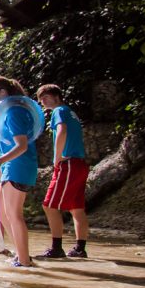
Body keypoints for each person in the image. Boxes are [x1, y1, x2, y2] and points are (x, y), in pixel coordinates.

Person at [0, 76, 38, 267]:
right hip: (11, 166)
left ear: (3, 92)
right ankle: (21, 254)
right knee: (3, 211)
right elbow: (8, 142)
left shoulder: (14, 112)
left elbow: (21, 145)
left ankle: (24, 261)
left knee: (14, 214)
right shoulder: (11, 111)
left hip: (19, 165)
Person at [37, 84, 90, 258]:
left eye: (45, 97)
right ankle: (80, 248)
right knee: (77, 208)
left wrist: (56, 157)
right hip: (80, 164)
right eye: (40, 99)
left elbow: (62, 130)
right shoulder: (71, 112)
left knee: (50, 206)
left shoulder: (59, 111)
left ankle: (56, 248)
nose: (42, 102)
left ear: (56, 96)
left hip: (68, 164)